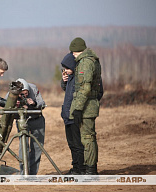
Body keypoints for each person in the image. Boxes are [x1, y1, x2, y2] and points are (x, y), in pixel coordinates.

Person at [68, 37, 103, 175]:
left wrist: (78, 108)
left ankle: (91, 170)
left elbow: (85, 88)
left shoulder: (85, 63)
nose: (72, 55)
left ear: (78, 50)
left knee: (88, 138)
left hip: (86, 108)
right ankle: (90, 168)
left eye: (73, 52)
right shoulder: (92, 60)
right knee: (88, 137)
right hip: (88, 106)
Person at [60, 52, 85, 175]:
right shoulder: (70, 77)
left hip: (74, 115)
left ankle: (80, 169)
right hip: (67, 114)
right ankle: (75, 168)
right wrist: (64, 81)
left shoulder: (79, 77)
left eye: (67, 68)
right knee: (71, 144)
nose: (65, 71)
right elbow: (67, 91)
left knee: (77, 144)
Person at [14, 78, 46, 175]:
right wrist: (15, 104)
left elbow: (42, 103)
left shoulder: (33, 88)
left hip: (37, 119)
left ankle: (32, 174)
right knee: (23, 147)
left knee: (37, 146)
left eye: (26, 93)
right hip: (22, 121)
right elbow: (5, 106)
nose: (25, 95)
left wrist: (34, 103)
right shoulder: (11, 93)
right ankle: (24, 173)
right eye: (22, 94)